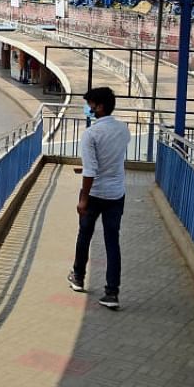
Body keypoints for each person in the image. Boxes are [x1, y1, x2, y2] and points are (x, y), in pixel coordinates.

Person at [68, 87, 130, 310]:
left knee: (84, 234)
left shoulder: (91, 134)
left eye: (91, 104)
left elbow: (91, 170)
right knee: (112, 241)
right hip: (116, 194)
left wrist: (83, 198)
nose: (89, 108)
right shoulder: (124, 129)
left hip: (94, 194)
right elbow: (112, 160)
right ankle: (112, 293)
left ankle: (78, 276)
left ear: (100, 106)